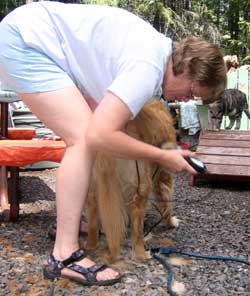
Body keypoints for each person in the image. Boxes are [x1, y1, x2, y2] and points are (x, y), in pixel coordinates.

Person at [0, 1, 227, 286]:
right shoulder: (148, 67)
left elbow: (103, 114)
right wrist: (160, 156)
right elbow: (98, 135)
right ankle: (64, 255)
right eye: (193, 91)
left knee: (85, 135)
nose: (186, 100)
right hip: (29, 39)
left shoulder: (153, 51)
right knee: (82, 139)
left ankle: (68, 228)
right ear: (188, 69)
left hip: (32, 34)